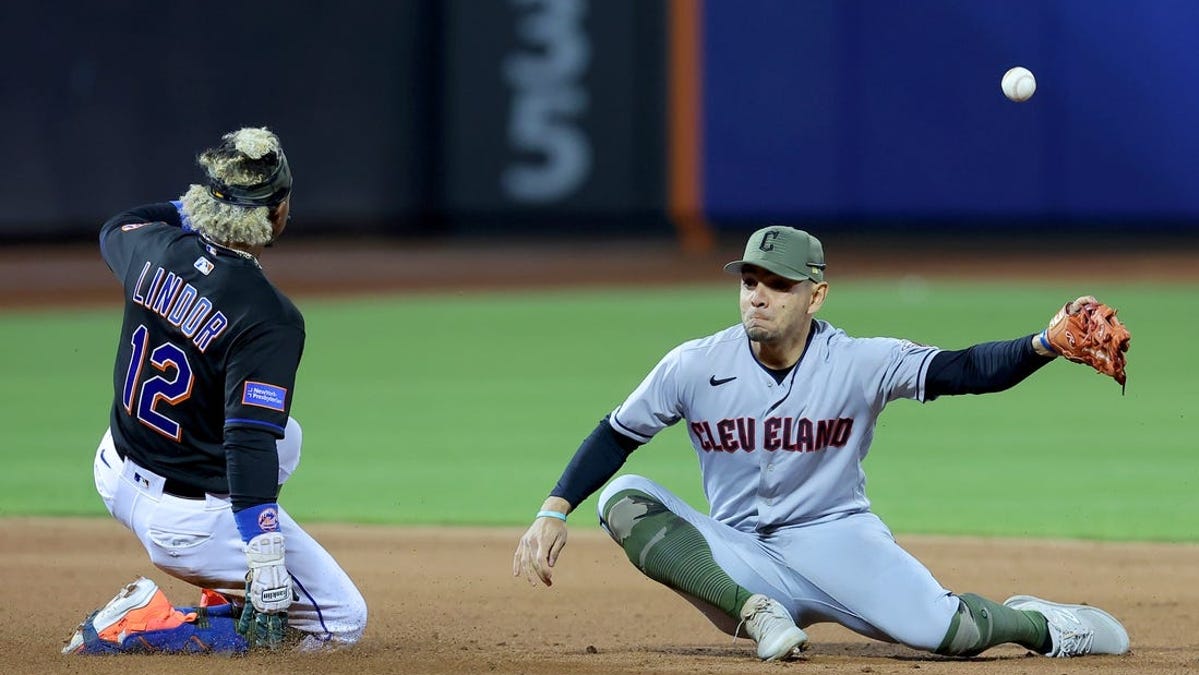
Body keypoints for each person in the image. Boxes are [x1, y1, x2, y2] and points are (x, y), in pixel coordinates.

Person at [513, 226, 1130, 661]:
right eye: (749, 280)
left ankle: (1039, 622)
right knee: (622, 497)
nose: (757, 295)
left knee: (951, 636)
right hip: (738, 560)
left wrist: (1042, 344)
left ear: (817, 294)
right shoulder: (694, 364)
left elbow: (963, 370)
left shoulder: (860, 362)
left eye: (777, 284)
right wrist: (551, 510)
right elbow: (616, 433)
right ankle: (759, 616)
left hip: (837, 540)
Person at [64, 127, 367, 654]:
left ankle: (221, 589)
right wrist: (266, 556)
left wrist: (204, 206)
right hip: (185, 524)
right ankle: (145, 624)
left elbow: (118, 223)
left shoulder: (151, 245)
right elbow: (245, 440)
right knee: (341, 623)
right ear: (276, 213)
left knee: (285, 437)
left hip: (114, 469)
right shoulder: (269, 316)